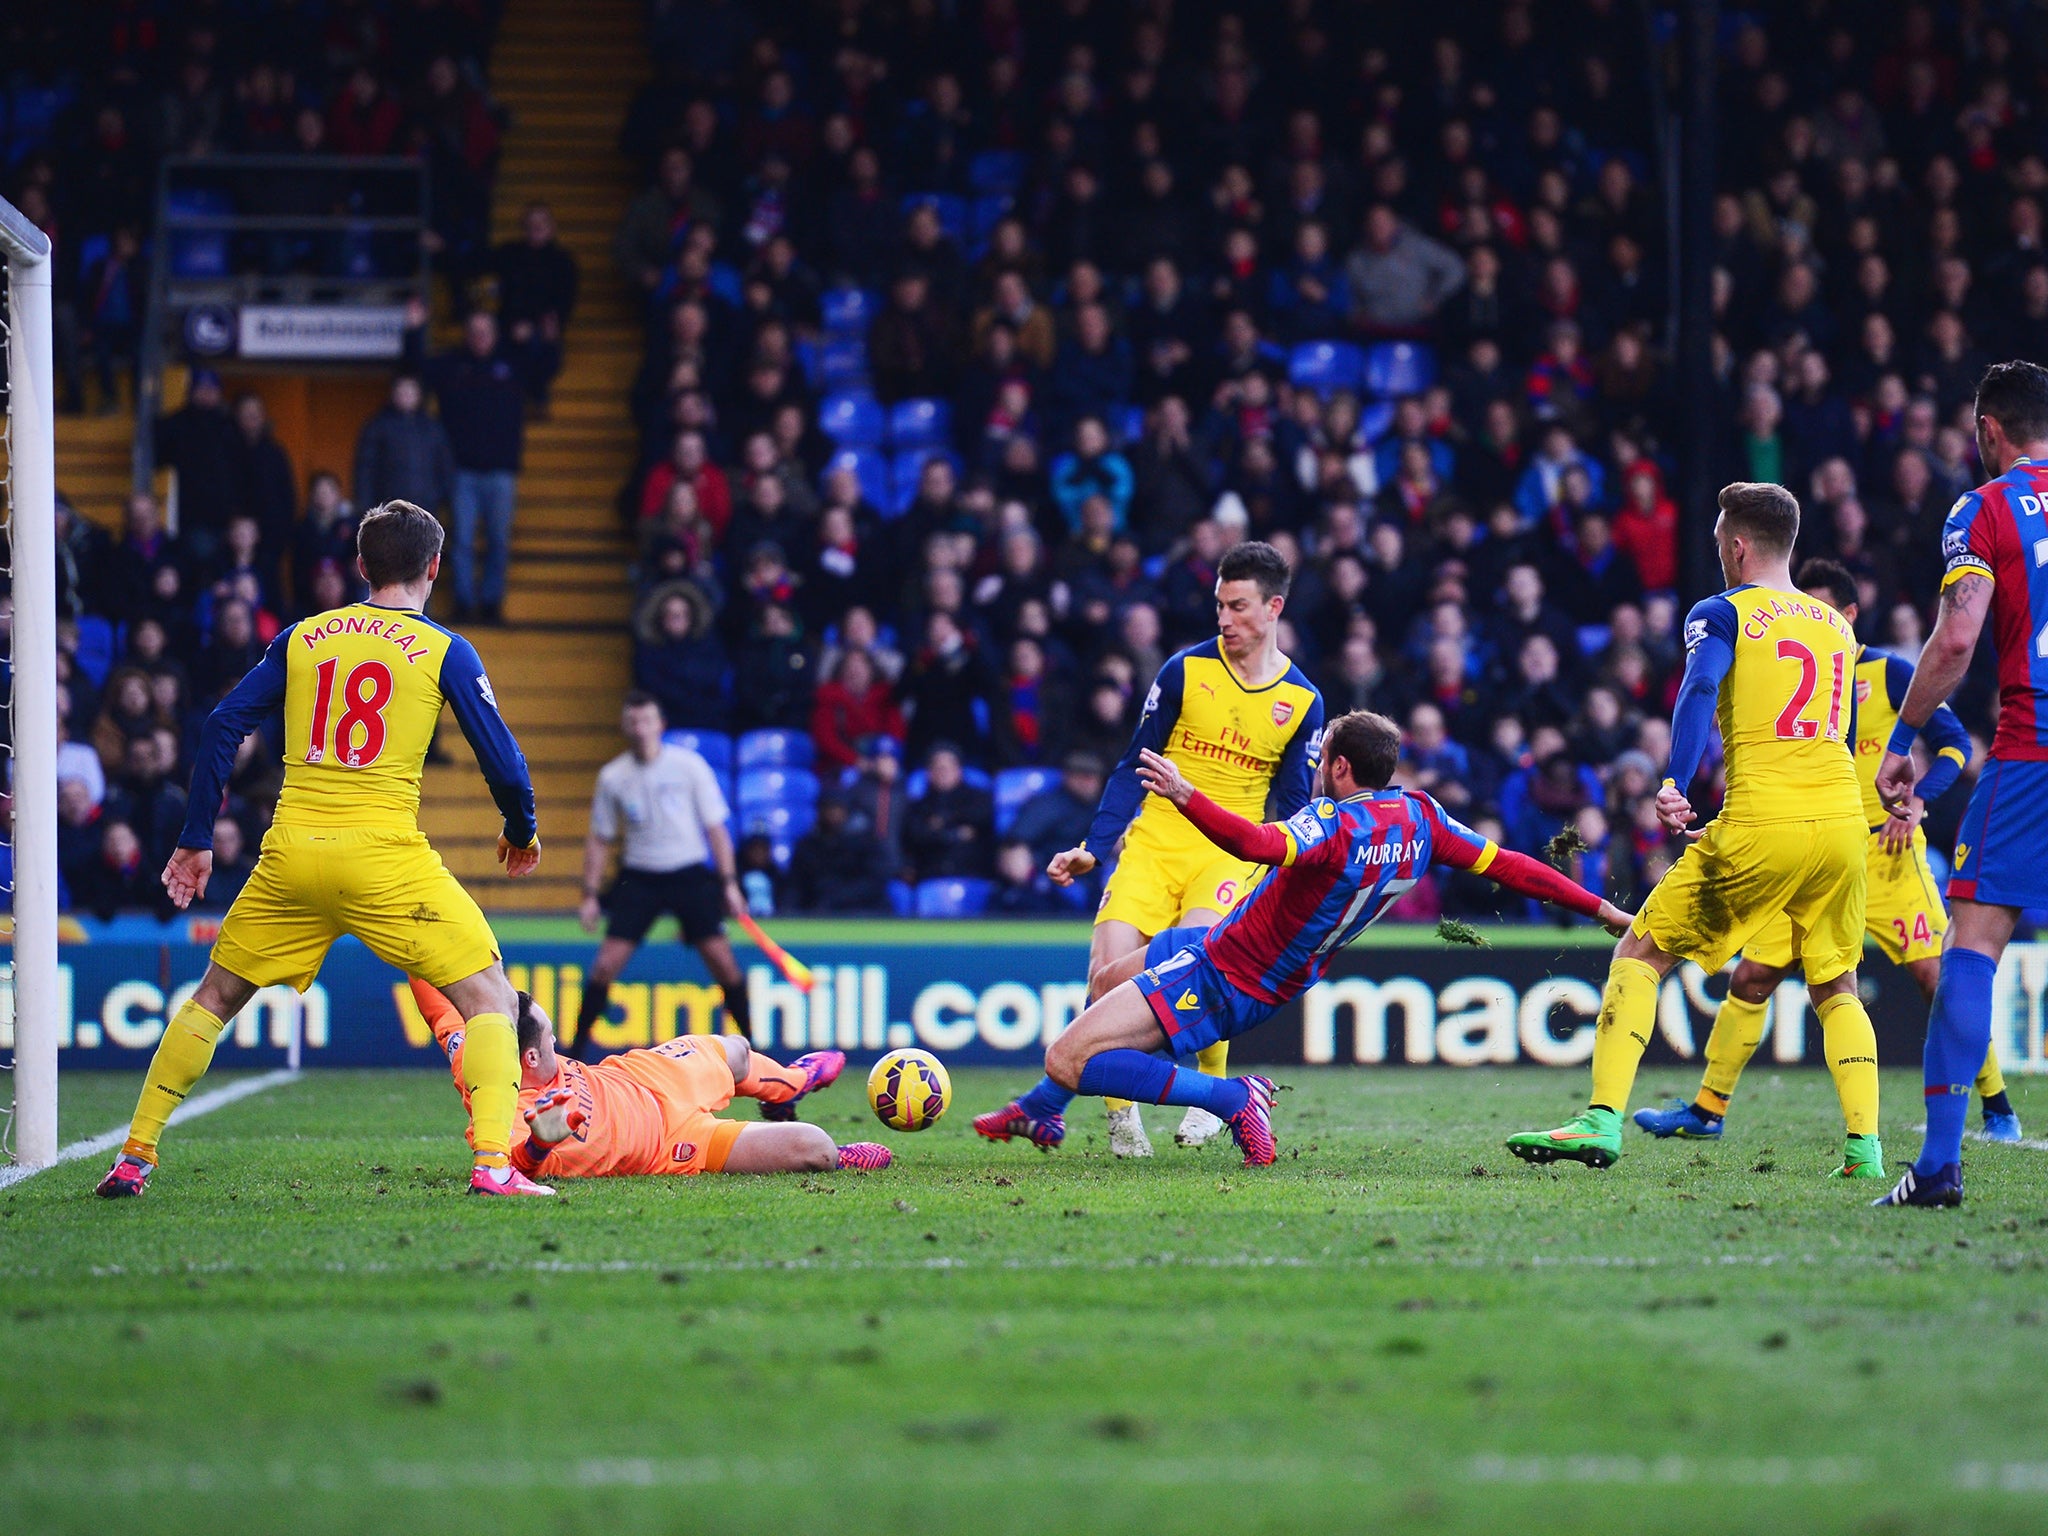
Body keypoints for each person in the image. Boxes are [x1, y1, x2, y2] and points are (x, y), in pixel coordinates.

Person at [97, 500, 547, 1199]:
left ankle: (134, 1154)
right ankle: (493, 1163)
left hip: (292, 854)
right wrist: (521, 830)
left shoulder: (304, 638)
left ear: (362, 566)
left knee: (213, 997)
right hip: (384, 858)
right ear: (434, 566)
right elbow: (504, 762)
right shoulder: (444, 650)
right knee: (489, 995)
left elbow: (222, 725)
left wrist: (194, 841)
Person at [975, 712, 1624, 1161]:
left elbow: (1253, 842)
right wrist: (1599, 907)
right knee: (1107, 985)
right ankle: (1041, 1111)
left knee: (1071, 1057)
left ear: (1339, 767)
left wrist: (1184, 793)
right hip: (1235, 949)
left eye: (1321, 761)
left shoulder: (1333, 825)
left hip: (1228, 974)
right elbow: (1514, 866)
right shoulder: (1423, 819)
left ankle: (1231, 1096)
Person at [1507, 483, 1884, 1180]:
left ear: (1736, 546)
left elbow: (1700, 688)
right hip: (1840, 825)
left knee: (1641, 951)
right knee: (1838, 985)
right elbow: (1848, 734)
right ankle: (1865, 1149)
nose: (1718, 555)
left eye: (1719, 544)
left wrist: (1674, 780)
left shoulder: (1722, 611)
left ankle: (1600, 1119)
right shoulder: (1837, 627)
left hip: (1763, 821)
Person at [1635, 559, 2017, 1144]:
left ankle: (1997, 1106)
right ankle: (1708, 1110)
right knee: (1753, 976)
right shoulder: (1782, 672)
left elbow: (1955, 746)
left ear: (1851, 615)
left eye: (1821, 608)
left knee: (1936, 976)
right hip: (1811, 852)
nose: (1807, 619)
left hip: (1886, 859)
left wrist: (1921, 801)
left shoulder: (1889, 674)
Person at [1027, 541, 1325, 1158]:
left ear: (1273, 608)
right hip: (1154, 844)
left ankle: (1211, 1096)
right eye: (1219, 605)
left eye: (1238, 607)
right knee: (1104, 983)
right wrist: (1093, 848)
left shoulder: (1301, 702)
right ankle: (1121, 1117)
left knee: (1201, 967)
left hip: (1226, 854)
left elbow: (1294, 809)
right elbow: (1127, 768)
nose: (1225, 619)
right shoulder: (1184, 672)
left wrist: (1290, 884)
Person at [1873, 361, 2048, 1208]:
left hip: (2033, 752)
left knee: (1971, 948)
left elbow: (1954, 640)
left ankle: (1940, 1165)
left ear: (1988, 431)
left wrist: (1905, 736)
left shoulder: (1983, 509)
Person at [412, 980, 890, 1177]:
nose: (559, 1044)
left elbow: (434, 995)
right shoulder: (502, 1105)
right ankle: (838, 1154)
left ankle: (790, 1083)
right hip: (671, 1145)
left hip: (644, 1078)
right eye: (553, 1038)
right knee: (815, 1148)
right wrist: (540, 1144)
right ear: (531, 1054)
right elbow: (508, 1169)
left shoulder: (469, 1040)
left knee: (737, 1051)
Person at [575, 692, 750, 1064]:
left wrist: (729, 882)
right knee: (605, 966)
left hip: (688, 874)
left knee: (724, 965)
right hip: (640, 878)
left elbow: (716, 828)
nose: (640, 729)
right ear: (625, 727)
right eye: (633, 722)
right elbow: (600, 838)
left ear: (661, 725)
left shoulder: (689, 767)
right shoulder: (613, 776)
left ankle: (755, 1051)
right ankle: (574, 1055)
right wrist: (590, 893)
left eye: (646, 721)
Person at [404, 301, 532, 623]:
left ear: (495, 334)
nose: (479, 337)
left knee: (498, 541)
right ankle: (463, 602)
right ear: (466, 334)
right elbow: (414, 368)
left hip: (501, 472)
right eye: (474, 331)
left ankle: (490, 603)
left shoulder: (513, 363)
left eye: (485, 331)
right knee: (459, 540)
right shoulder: (452, 364)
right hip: (461, 471)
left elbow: (547, 367)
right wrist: (414, 330)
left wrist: (534, 339)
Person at [352, 374, 456, 517]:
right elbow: (365, 467)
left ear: (419, 395)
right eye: (401, 392)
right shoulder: (378, 426)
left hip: (425, 506)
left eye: (410, 392)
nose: (406, 396)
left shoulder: (432, 428)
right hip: (389, 507)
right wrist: (365, 503)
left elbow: (444, 463)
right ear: (393, 395)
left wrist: (440, 494)